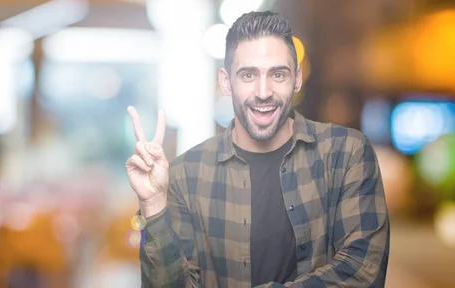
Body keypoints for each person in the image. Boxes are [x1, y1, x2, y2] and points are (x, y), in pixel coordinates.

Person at [125, 11, 390, 288]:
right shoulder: (184, 176)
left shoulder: (347, 154)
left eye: (277, 74)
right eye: (248, 74)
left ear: (297, 79)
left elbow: (363, 273)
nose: (263, 91)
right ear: (227, 82)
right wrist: (153, 203)